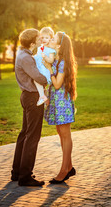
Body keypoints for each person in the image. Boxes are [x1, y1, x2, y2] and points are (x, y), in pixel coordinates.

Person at [11, 28, 48, 186]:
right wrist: (48, 77)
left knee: (25, 134)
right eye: (39, 38)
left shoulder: (22, 54)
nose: (41, 40)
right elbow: (39, 78)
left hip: (27, 96)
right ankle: (25, 176)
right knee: (32, 137)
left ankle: (17, 172)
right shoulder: (26, 58)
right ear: (32, 42)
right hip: (32, 98)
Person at [44, 31, 77, 184]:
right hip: (57, 102)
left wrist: (49, 68)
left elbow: (57, 85)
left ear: (59, 45)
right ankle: (69, 166)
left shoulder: (62, 62)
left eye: (53, 39)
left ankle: (64, 170)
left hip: (62, 102)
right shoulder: (58, 59)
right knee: (60, 131)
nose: (50, 40)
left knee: (65, 134)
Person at [34, 27, 56, 106]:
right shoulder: (40, 48)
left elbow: (51, 60)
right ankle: (44, 97)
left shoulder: (50, 50)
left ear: (51, 38)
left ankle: (42, 96)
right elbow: (38, 56)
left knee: (37, 80)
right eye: (42, 37)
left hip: (44, 68)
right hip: (38, 67)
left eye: (47, 38)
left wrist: (45, 57)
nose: (44, 39)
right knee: (36, 81)